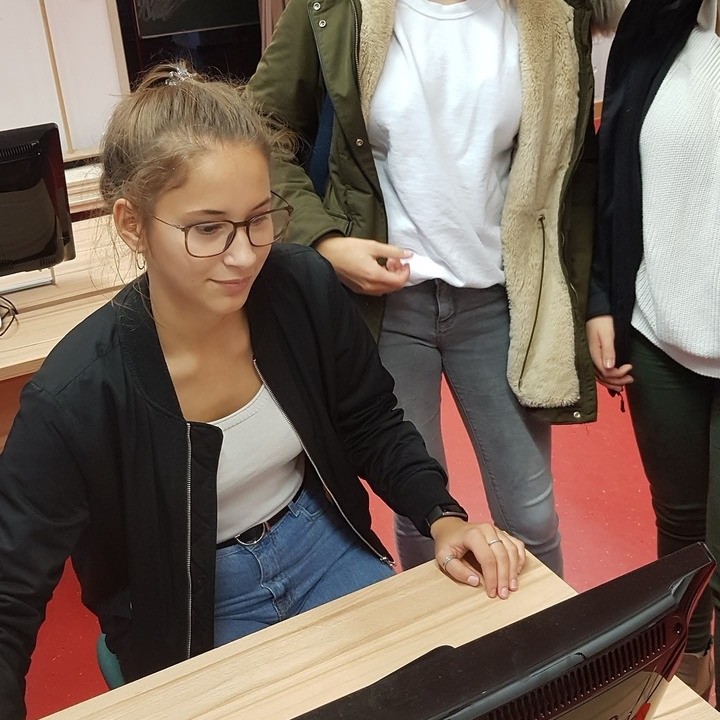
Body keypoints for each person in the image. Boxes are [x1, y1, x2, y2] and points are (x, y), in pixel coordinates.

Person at [0, 63, 526, 719]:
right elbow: (9, 594)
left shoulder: (301, 288)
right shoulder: (76, 395)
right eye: (208, 228)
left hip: (318, 544)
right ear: (133, 225)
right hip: (190, 602)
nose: (245, 254)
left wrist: (444, 518)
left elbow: (371, 421)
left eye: (258, 219)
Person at [247, 0, 625, 575]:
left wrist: (593, 300)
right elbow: (259, 129)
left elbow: (574, 168)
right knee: (421, 507)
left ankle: (549, 633)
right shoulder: (335, 8)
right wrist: (325, 240)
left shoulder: (548, 13)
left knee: (531, 515)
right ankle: (445, 633)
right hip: (384, 307)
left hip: (499, 300)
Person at [587, 0, 720, 701]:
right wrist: (601, 297)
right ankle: (688, 665)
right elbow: (611, 173)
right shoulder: (657, 21)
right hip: (660, 330)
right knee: (681, 523)